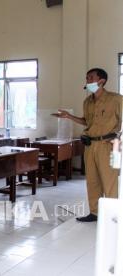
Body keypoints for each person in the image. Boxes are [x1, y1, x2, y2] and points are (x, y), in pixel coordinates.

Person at [54, 68, 122, 222]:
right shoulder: (87, 102)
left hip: (109, 145)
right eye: (86, 78)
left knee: (109, 181)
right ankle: (95, 213)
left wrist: (119, 140)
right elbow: (87, 121)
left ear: (101, 81)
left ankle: (112, 216)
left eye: (91, 77)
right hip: (90, 145)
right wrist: (69, 116)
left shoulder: (116, 99)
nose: (87, 81)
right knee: (92, 181)